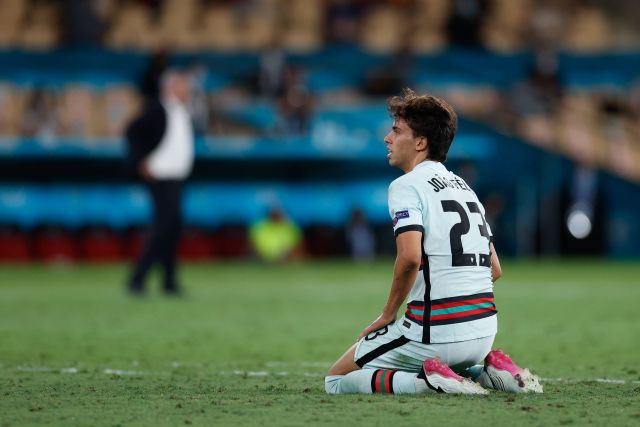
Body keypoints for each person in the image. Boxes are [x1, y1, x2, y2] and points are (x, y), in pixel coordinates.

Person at [325, 89, 542, 395]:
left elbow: (410, 257)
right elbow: (495, 268)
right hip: (483, 334)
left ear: (420, 142)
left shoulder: (406, 186)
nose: (387, 138)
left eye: (397, 131)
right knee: (443, 359)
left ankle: (428, 383)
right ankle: (491, 373)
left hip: (433, 333)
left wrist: (388, 314)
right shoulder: (466, 188)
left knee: (335, 380)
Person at [125, 70, 194, 296]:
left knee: (172, 229)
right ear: (170, 87)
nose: (187, 89)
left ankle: (168, 281)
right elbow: (132, 131)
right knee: (162, 228)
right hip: (160, 175)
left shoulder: (181, 110)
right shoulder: (157, 109)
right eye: (182, 85)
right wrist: (141, 161)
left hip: (176, 176)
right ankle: (138, 278)